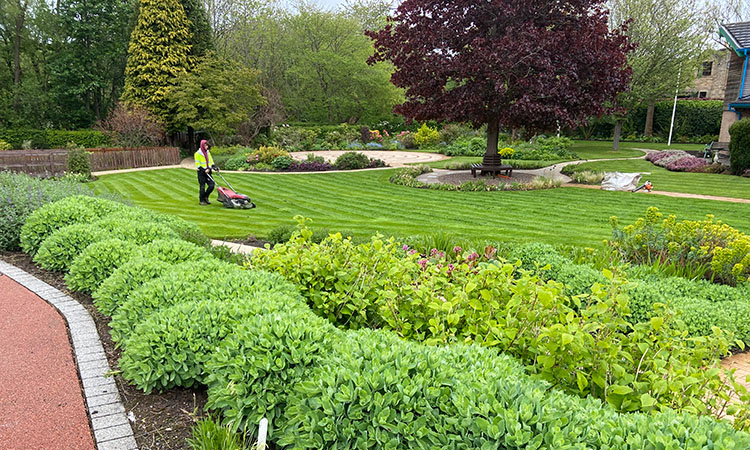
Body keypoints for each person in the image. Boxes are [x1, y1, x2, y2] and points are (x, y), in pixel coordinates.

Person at [194, 140, 216, 205]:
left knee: (212, 185)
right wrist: (204, 170)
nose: (207, 147)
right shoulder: (197, 154)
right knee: (202, 187)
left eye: (207, 146)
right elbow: (198, 165)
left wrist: (214, 167)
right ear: (202, 146)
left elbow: (211, 162)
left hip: (208, 172)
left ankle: (206, 196)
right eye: (206, 145)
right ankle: (201, 200)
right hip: (201, 173)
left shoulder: (208, 153)